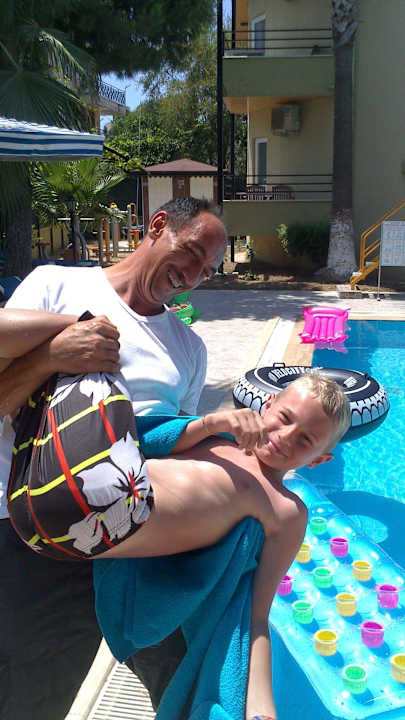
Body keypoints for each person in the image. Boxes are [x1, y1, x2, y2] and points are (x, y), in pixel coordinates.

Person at [0, 197, 267, 720]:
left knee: (178, 676)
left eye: (208, 270)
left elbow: (176, 445)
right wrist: (52, 355)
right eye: (192, 252)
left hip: (138, 539)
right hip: (33, 533)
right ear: (158, 225)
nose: (193, 274)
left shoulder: (188, 349)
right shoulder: (57, 285)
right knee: (34, 687)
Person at [7, 371, 352, 720]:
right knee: (91, 374)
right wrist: (211, 422)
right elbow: (147, 437)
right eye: (285, 418)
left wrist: (262, 710)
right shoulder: (213, 439)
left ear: (320, 460)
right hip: (53, 494)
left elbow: (257, 617)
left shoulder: (285, 509)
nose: (286, 436)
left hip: (94, 526)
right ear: (267, 404)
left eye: (306, 440)